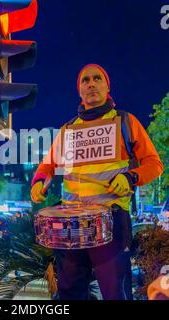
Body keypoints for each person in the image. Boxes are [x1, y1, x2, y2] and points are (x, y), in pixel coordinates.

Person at [31, 64, 163, 300]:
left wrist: (130, 177)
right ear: (79, 91)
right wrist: (39, 182)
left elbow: (154, 164)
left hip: (112, 220)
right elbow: (47, 165)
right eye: (85, 81)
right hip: (72, 224)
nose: (91, 84)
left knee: (115, 293)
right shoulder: (68, 129)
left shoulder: (125, 122)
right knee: (69, 294)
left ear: (107, 87)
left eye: (97, 79)